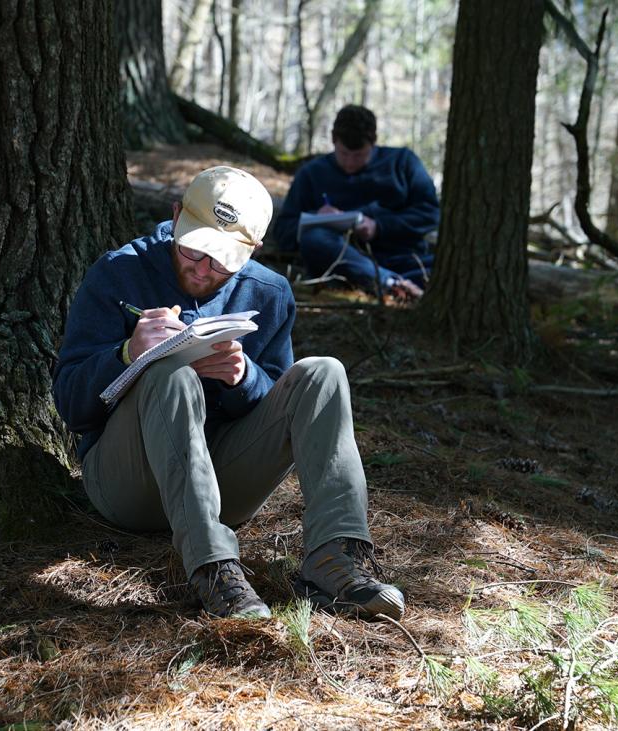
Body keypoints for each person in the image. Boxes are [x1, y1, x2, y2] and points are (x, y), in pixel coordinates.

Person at [54, 166, 404, 621]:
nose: (201, 270)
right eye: (194, 249)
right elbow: (70, 404)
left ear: (252, 251)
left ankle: (335, 558)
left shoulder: (269, 292)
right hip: (128, 484)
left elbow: (278, 418)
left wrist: (244, 379)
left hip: (222, 484)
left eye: (220, 260)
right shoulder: (119, 273)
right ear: (176, 215)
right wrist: (126, 354)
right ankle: (214, 570)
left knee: (324, 373)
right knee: (169, 375)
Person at [272, 104, 440, 299]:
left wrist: (379, 227)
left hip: (404, 258)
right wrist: (316, 218)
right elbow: (283, 230)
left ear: (374, 142)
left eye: (359, 155)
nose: (350, 163)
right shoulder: (311, 174)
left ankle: (391, 281)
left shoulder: (402, 163)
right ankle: (392, 285)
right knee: (316, 239)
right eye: (343, 154)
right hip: (341, 262)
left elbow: (430, 214)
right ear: (333, 141)